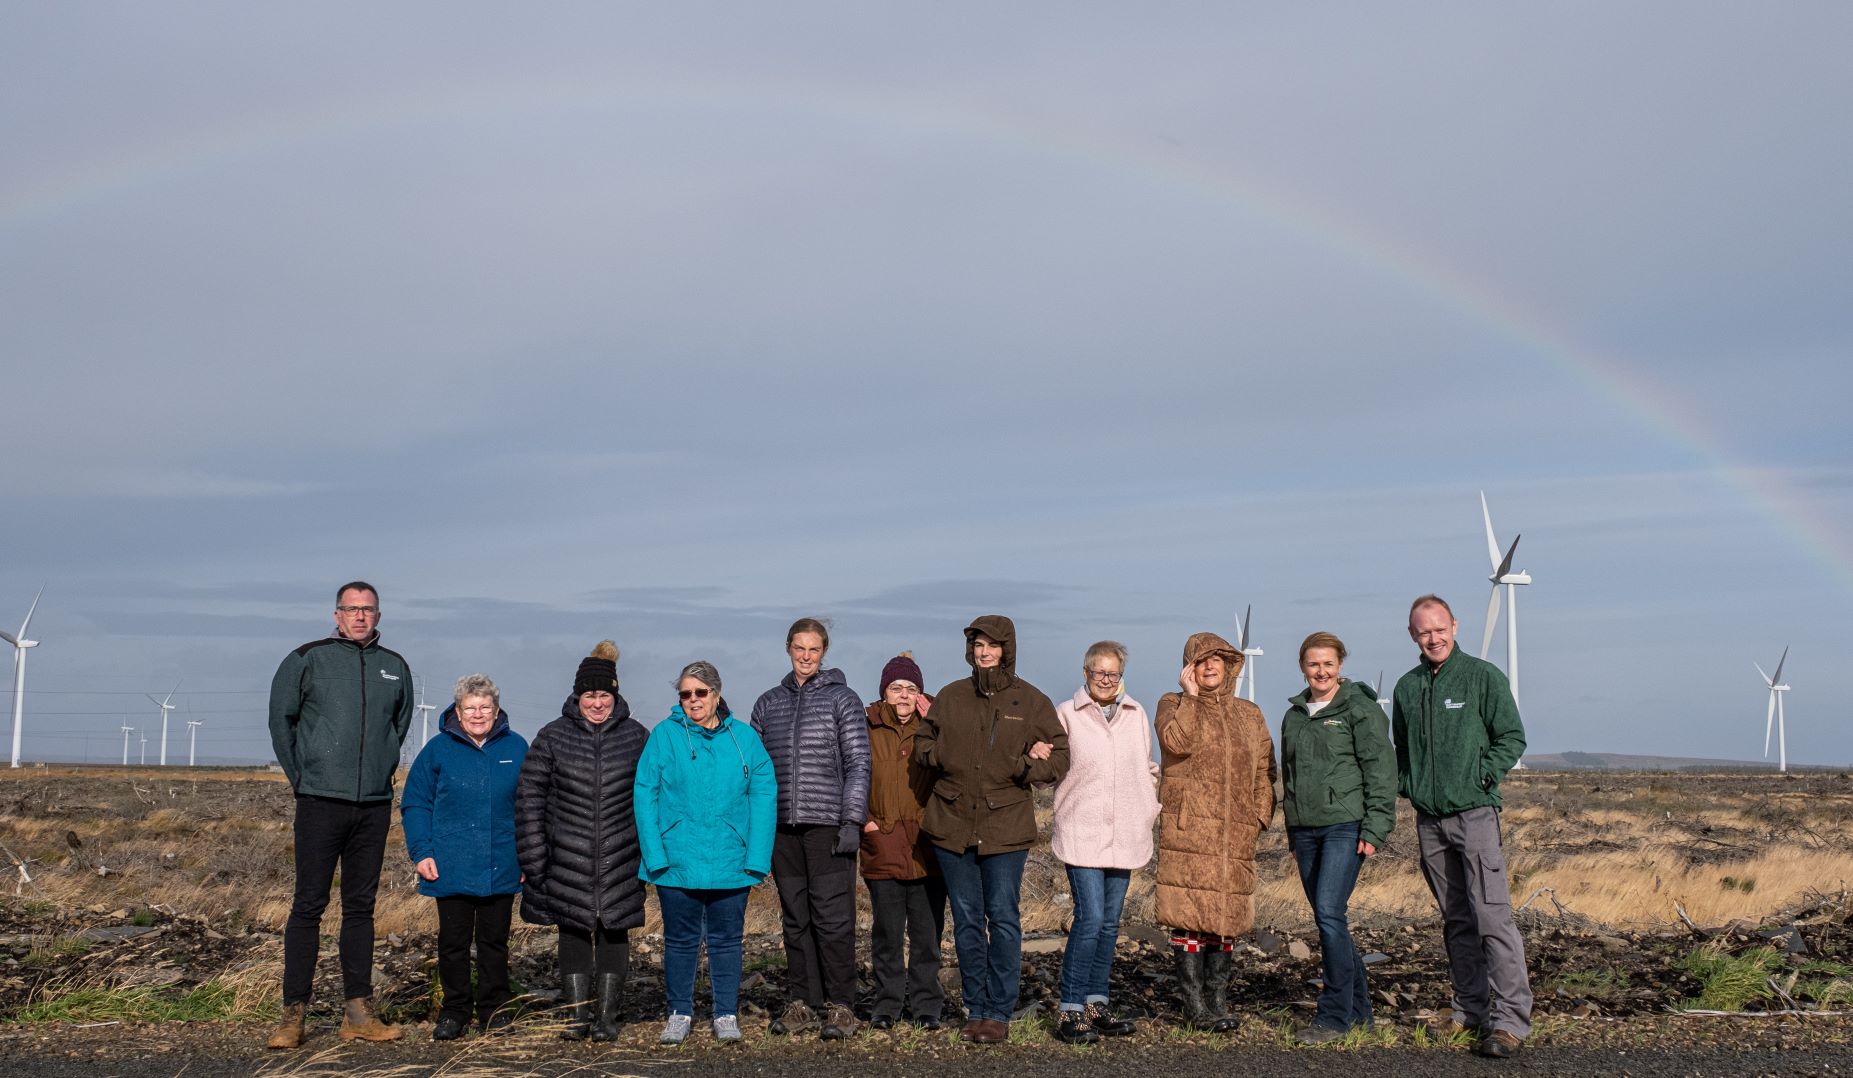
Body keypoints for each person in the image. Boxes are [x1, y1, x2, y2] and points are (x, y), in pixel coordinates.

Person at [265, 581, 414, 1049]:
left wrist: (380, 770)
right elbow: (280, 720)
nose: (360, 617)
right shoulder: (306, 659)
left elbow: (399, 725)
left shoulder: (395, 667)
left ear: (379, 615)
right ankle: (293, 1016)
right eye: (351, 609)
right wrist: (302, 777)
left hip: (371, 806)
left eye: (368, 610)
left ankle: (358, 1012)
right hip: (319, 802)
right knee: (308, 906)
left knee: (361, 909)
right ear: (336, 614)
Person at [915, 615, 1069, 1045]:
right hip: (952, 825)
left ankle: (999, 1010)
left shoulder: (1030, 701)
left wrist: (1026, 765)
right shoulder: (950, 696)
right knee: (965, 920)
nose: (984, 652)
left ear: (1007, 649)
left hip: (1005, 828)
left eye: (992, 645)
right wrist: (942, 751)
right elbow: (923, 745)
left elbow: (1059, 756)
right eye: (978, 645)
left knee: (1002, 918)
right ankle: (975, 1007)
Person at [1392, 596, 1532, 1060]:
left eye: (1439, 628)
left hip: (1474, 815)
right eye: (1423, 632)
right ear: (1412, 635)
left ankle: (1510, 1021)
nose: (1433, 638)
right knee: (1456, 920)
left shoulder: (1482, 677)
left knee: (1492, 917)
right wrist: (1410, 785)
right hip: (1430, 821)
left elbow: (1512, 736)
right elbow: (1403, 748)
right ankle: (1469, 1011)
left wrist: (1483, 773)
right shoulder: (1407, 687)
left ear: (1454, 625)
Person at [636, 661, 777, 1045]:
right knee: (679, 940)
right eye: (685, 694)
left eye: (700, 692)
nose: (693, 700)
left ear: (716, 693)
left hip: (731, 860)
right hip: (676, 859)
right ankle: (679, 1012)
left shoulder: (745, 739)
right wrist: (655, 854)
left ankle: (725, 1013)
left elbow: (764, 797)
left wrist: (757, 858)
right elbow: (644, 794)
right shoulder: (663, 736)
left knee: (727, 940)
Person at [514, 642, 649, 1042]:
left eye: (603, 694)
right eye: (588, 695)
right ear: (577, 696)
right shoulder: (551, 737)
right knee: (572, 931)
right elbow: (529, 799)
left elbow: (652, 795)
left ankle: (607, 1017)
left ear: (615, 695)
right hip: (564, 857)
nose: (596, 702)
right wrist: (535, 856)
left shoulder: (636, 737)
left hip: (620, 856)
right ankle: (576, 1016)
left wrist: (648, 854)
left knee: (614, 931)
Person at [750, 618, 871, 1040]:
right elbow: (756, 771)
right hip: (783, 828)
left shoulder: (844, 699)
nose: (805, 656)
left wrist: (852, 819)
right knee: (795, 917)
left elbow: (859, 764)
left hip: (828, 827)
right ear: (787, 648)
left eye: (814, 649)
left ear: (824, 653)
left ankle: (841, 1006)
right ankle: (802, 1001)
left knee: (833, 919)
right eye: (799, 648)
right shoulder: (768, 703)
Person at [1154, 631, 1276, 1033]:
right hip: (1189, 830)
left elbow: (1265, 770)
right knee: (1189, 916)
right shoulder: (1172, 704)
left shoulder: (1249, 713)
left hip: (1234, 832)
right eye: (1201, 661)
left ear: (1230, 666)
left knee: (1225, 917)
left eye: (1218, 660)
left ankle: (1217, 998)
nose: (1210, 667)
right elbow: (1176, 743)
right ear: (1189, 667)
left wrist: (1259, 814)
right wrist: (1189, 697)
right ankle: (1193, 1004)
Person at [1278, 632, 1396, 1044]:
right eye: (1313, 664)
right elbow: (1288, 776)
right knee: (1332, 921)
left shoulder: (1359, 709)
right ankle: (1361, 1014)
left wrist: (1376, 826)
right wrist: (1292, 829)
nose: (1321, 671)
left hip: (1345, 825)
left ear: (1341, 665)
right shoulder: (1294, 715)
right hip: (1306, 830)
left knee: (1329, 913)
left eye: (1328, 663)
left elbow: (1380, 769)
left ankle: (1332, 1018)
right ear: (1302, 667)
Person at [401, 674, 529, 1040]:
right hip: (449, 864)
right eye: (470, 708)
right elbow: (415, 803)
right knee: (453, 943)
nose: (478, 714)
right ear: (457, 711)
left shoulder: (516, 747)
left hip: (502, 862)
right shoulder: (438, 750)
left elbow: (532, 805)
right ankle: (454, 1011)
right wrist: (422, 851)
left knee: (495, 942)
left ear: (496, 710)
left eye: (485, 707)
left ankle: (495, 1010)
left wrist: (527, 857)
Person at [1050, 641, 1160, 1044]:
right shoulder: (1066, 714)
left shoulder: (1136, 714)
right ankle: (1070, 1009)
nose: (1105, 679)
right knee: (1090, 918)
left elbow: (1147, 764)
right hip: (1082, 830)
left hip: (1126, 831)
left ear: (1121, 675)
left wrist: (1149, 802)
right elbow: (1051, 768)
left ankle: (1097, 1003)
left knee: (1110, 924)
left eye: (1112, 673)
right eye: (1098, 672)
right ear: (1085, 672)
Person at [859, 653, 946, 1031]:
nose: (904, 696)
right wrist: (864, 821)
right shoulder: (865, 725)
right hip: (883, 842)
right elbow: (850, 773)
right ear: (884, 692)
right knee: (887, 934)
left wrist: (937, 716)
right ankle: (887, 1004)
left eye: (912, 689)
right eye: (896, 688)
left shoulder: (935, 727)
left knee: (927, 935)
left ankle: (927, 1005)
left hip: (928, 845)